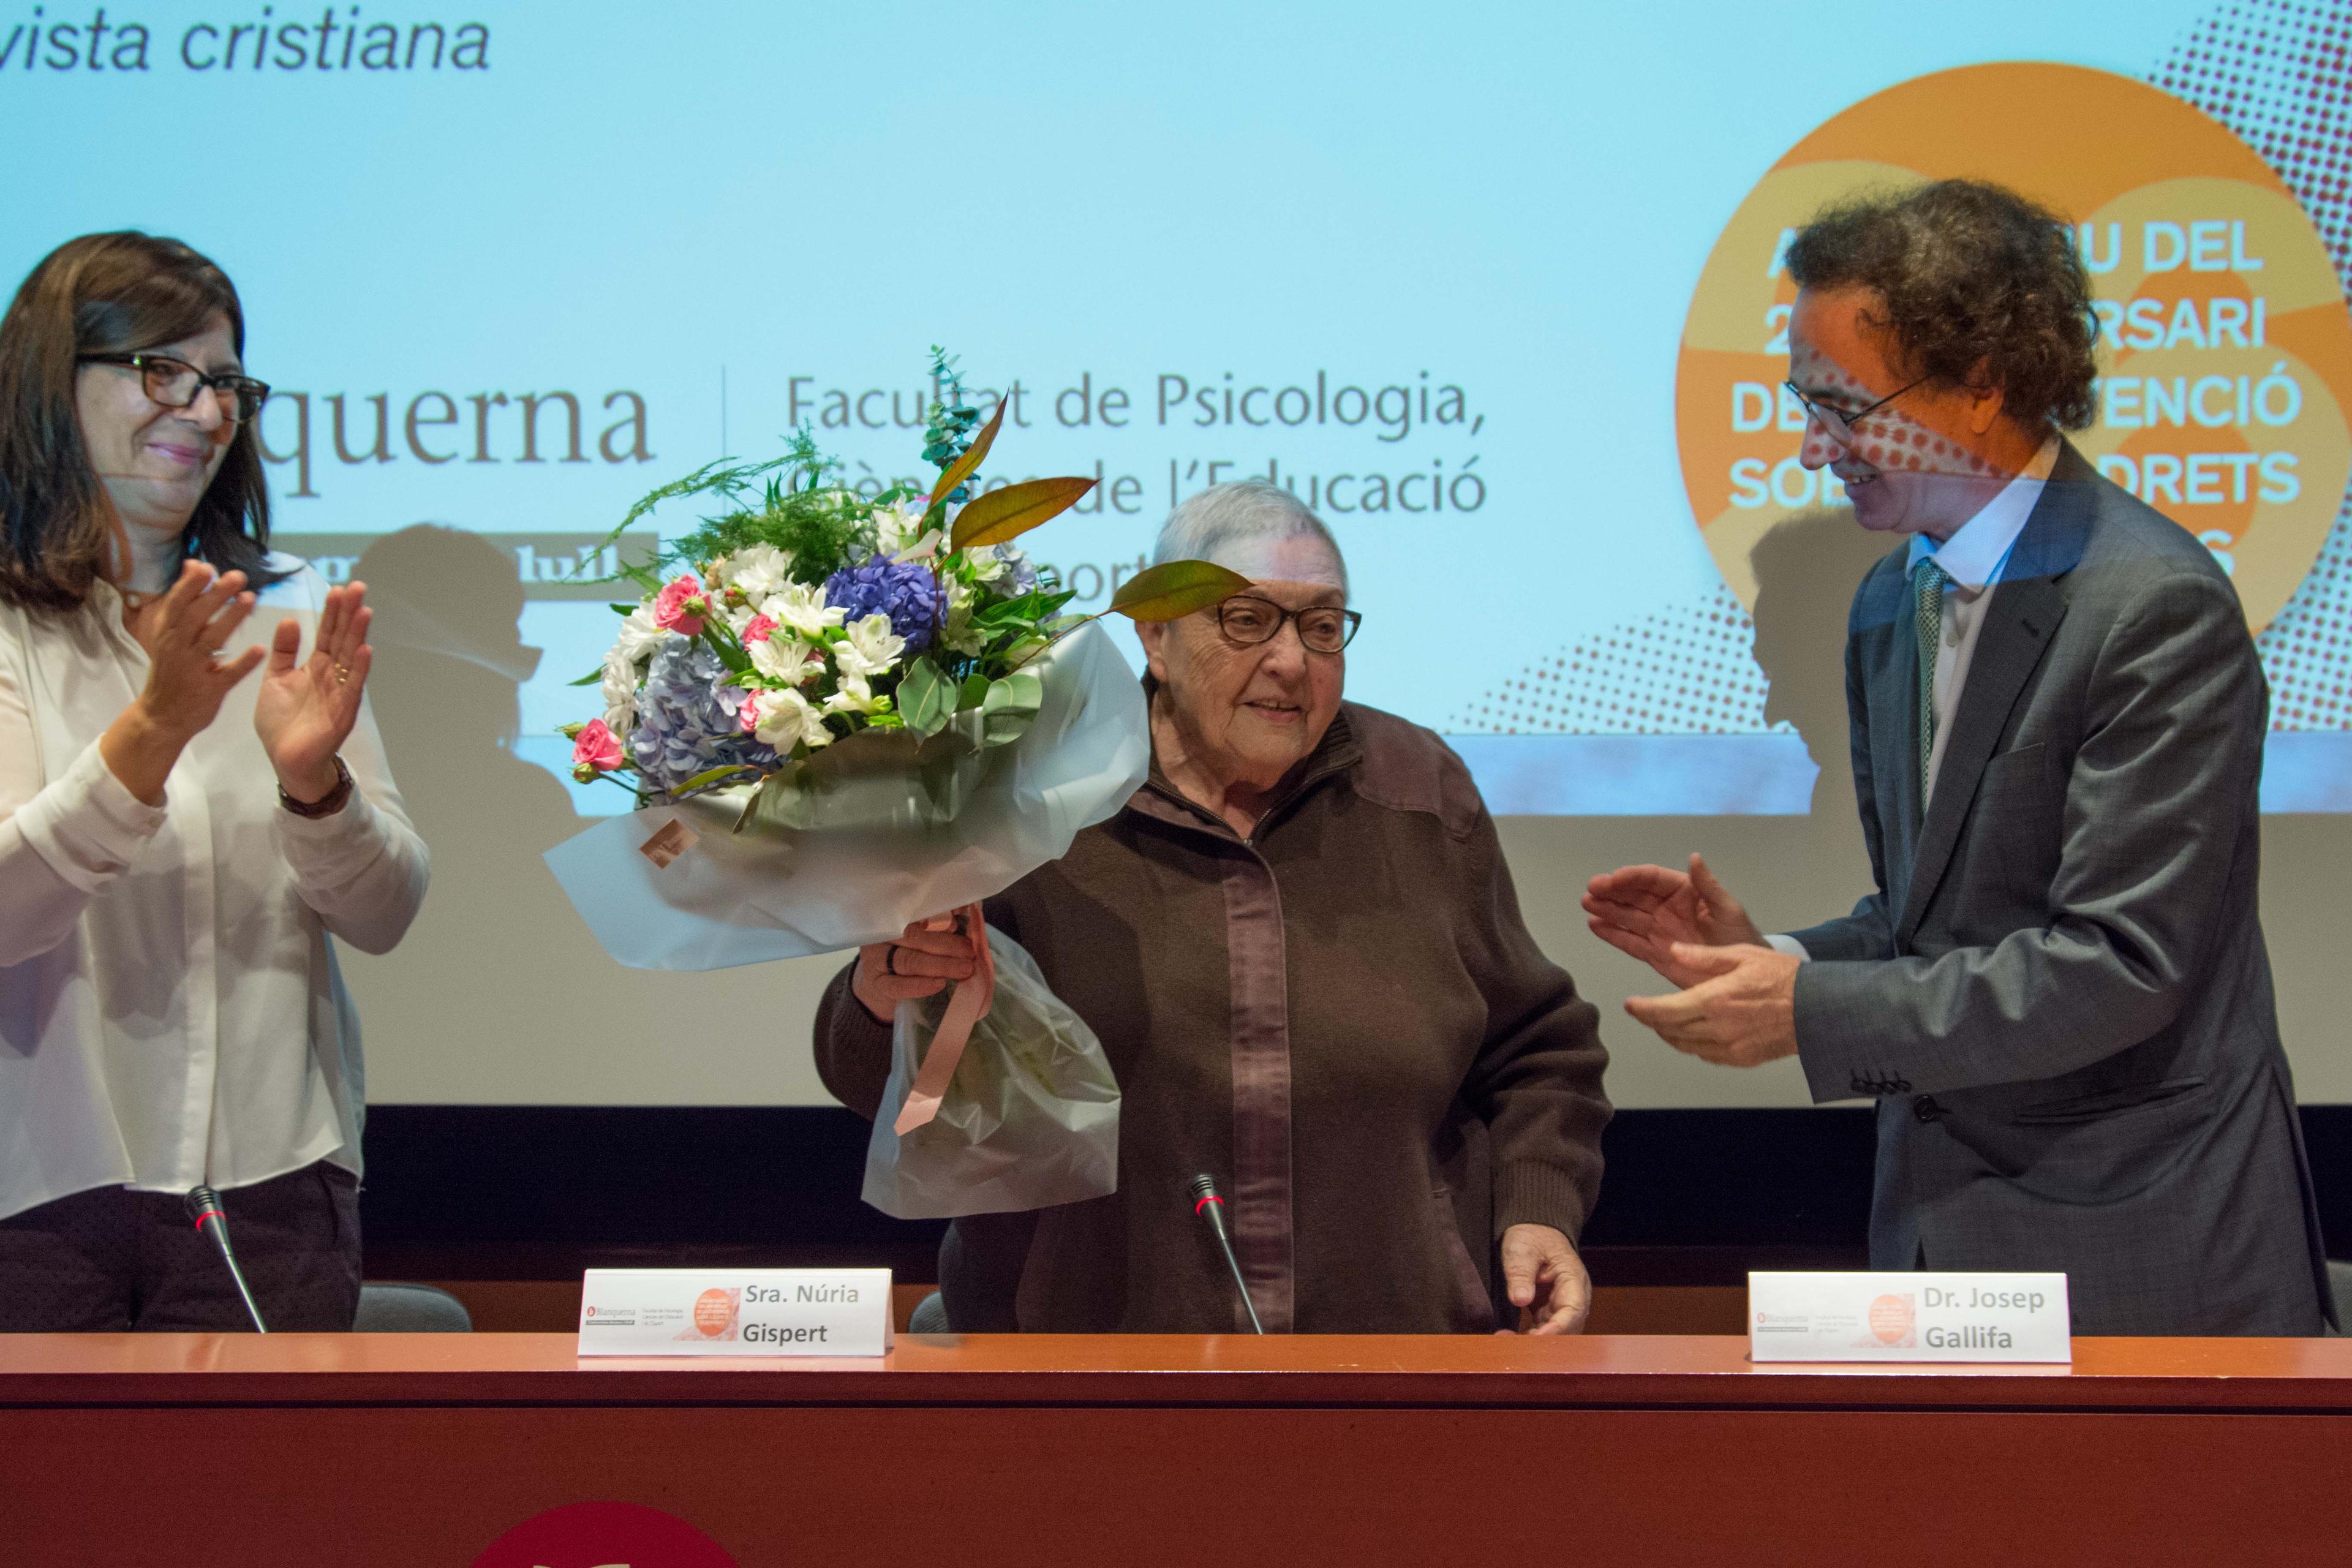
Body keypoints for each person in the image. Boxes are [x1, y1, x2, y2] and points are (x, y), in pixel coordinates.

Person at [1585, 180, 2331, 1336]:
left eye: (1841, 406)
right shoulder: (1894, 596)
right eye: (1803, 402)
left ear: (1983, 383)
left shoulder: (2153, 604)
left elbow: (2121, 962)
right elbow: (1938, 919)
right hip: (1944, 1237)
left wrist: (1812, 1013)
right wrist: (1770, 957)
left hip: (2140, 1242)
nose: (1809, 445)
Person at [815, 481, 1611, 1333]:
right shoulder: (1035, 795)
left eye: (1321, 626)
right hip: (1084, 1364)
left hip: (1385, 1354)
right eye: (1246, 620)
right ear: (1155, 638)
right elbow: (892, 1085)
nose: (1291, 662)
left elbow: (1538, 1050)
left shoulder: (1418, 791)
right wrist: (882, 997)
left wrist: (1538, 1208)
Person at [0, 232, 428, 1331]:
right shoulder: (10, 623)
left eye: (226, 382)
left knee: (267, 1509)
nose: (203, 410)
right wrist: (153, 732)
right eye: (162, 372)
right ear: (57, 382)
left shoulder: (289, 607)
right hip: (35, 1200)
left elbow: (383, 915)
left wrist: (315, 788)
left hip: (273, 1193)